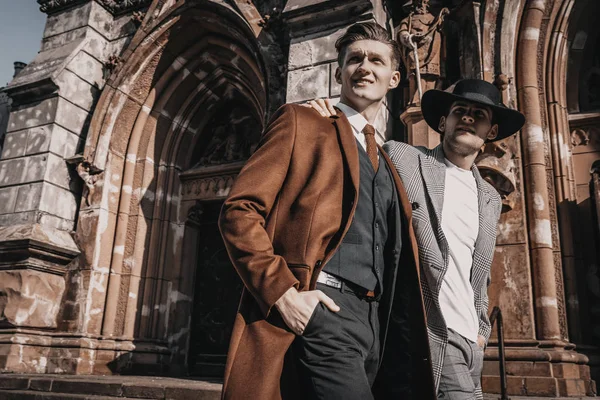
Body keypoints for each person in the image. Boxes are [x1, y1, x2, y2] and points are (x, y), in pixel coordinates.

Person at [219, 22, 434, 400]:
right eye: (355, 59)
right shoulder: (301, 121)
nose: (364, 67)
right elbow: (239, 210)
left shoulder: (387, 158)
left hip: (375, 324)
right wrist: (284, 293)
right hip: (320, 305)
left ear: (395, 78)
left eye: (376, 61)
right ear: (339, 73)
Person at [307, 79, 525, 399]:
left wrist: (481, 330)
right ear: (442, 122)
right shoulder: (404, 158)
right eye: (459, 110)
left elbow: (479, 270)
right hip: (431, 327)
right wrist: (328, 118)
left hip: (471, 342)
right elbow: (355, 164)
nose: (467, 117)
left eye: (478, 114)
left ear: (491, 131)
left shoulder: (490, 197)